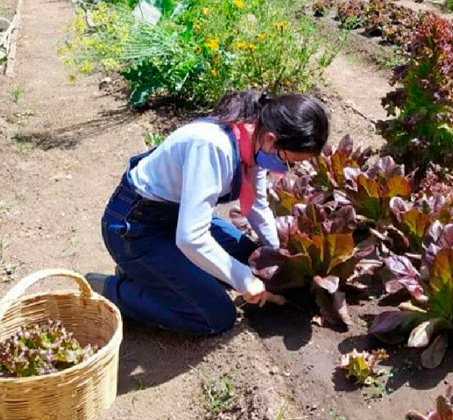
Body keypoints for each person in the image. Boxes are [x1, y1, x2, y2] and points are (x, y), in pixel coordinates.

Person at [85, 90, 329, 335]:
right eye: (289, 162)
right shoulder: (212, 146)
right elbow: (191, 238)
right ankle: (111, 289)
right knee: (214, 316)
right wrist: (243, 279)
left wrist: (279, 256)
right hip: (136, 230)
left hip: (176, 216)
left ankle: (150, 275)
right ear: (270, 138)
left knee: (251, 259)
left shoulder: (253, 140)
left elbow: (257, 206)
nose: (288, 169)